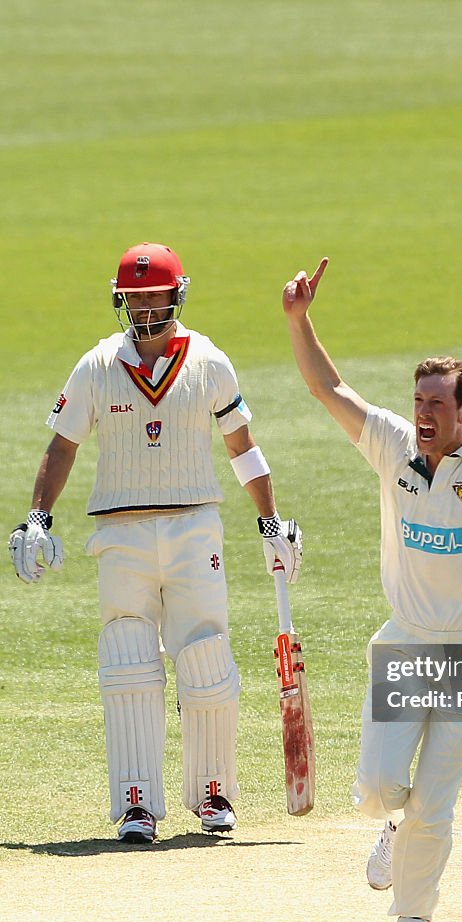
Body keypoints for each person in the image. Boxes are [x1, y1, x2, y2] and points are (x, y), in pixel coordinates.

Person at [282, 257, 462, 922]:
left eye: (436, 405)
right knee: (377, 791)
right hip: (406, 645)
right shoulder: (395, 445)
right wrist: (300, 321)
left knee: (433, 800)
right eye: (418, 401)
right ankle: (392, 832)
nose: (421, 414)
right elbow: (325, 386)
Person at [9, 242, 302, 844]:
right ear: (121, 299)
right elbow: (63, 445)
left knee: (207, 658)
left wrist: (270, 521)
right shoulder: (95, 366)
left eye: (154, 295)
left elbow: (242, 446)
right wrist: (37, 516)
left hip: (196, 527)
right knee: (129, 662)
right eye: (134, 296)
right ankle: (136, 803)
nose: (144, 306)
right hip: (121, 533)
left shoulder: (210, 361)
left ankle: (214, 794)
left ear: (177, 295)